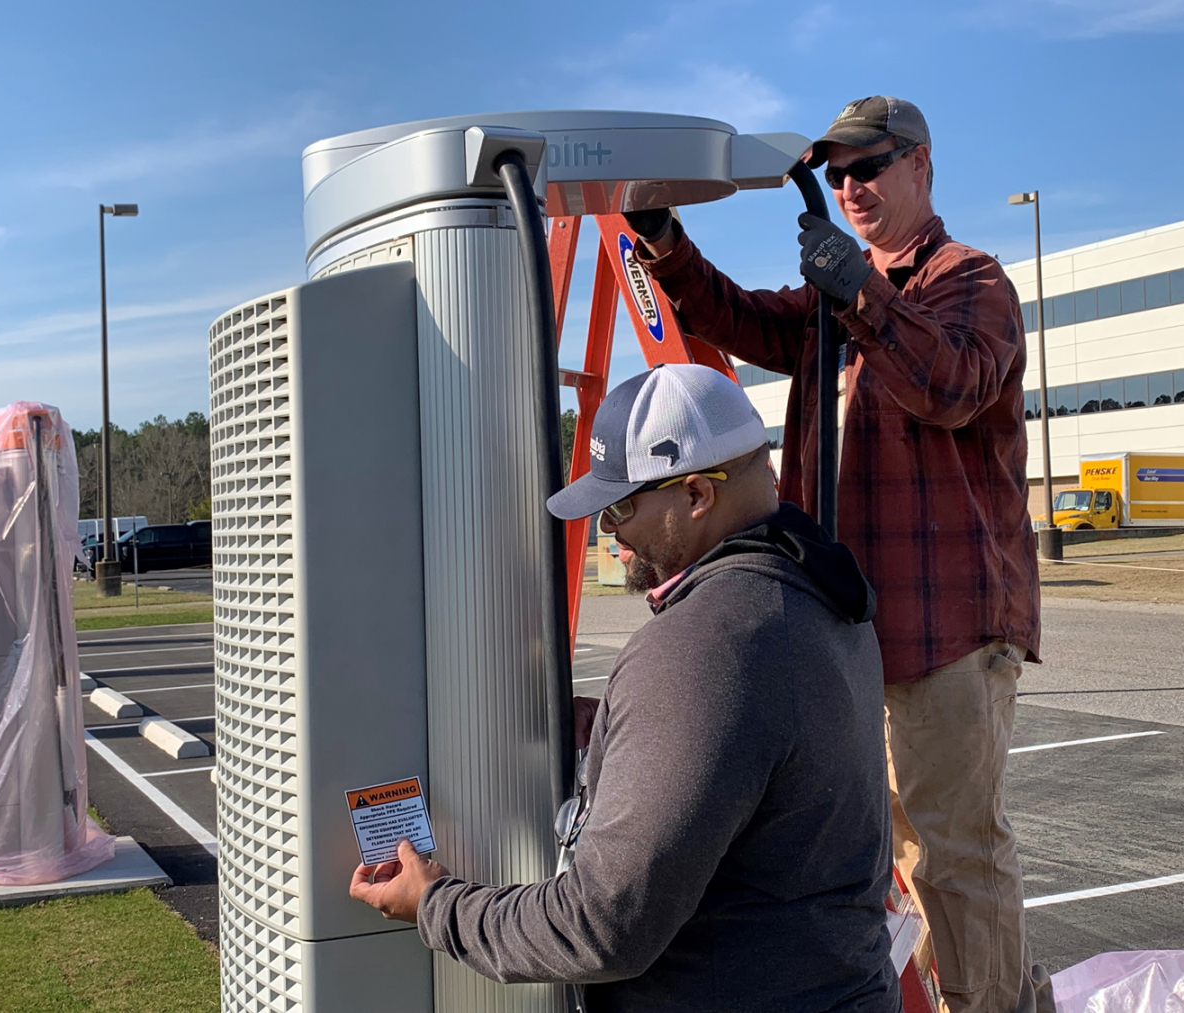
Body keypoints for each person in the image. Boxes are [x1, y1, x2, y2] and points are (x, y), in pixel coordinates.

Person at [622, 97, 1050, 1013]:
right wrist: (662, 236)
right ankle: (947, 997)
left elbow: (949, 384)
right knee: (888, 849)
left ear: (921, 167)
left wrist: (860, 287)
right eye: (840, 172)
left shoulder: (970, 281)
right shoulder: (836, 304)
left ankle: (997, 1007)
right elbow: (731, 314)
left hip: (948, 630)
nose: (850, 185)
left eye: (870, 166)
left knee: (952, 846)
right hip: (857, 628)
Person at [351, 363, 899, 1013]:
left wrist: (436, 902)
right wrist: (628, 726)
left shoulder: (706, 643)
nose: (610, 532)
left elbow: (604, 925)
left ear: (697, 494)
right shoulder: (821, 596)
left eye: (620, 507)